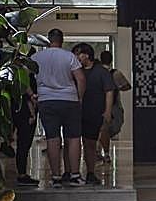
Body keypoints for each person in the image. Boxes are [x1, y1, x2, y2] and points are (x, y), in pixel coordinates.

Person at [32, 29, 85, 187]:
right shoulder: (69, 56)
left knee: (52, 138)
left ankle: (55, 177)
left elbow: (26, 77)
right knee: (74, 137)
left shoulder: (36, 57)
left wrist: (33, 95)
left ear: (48, 40)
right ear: (62, 40)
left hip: (46, 100)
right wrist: (79, 98)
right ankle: (75, 175)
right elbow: (81, 79)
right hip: (69, 100)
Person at [71, 43, 116, 185]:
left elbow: (109, 91)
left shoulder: (101, 72)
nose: (77, 58)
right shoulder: (76, 71)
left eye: (79, 54)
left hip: (94, 112)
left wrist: (107, 111)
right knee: (74, 142)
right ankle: (72, 172)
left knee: (90, 143)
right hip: (77, 112)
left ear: (87, 55)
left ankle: (90, 172)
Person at [97, 50, 130, 163]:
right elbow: (127, 86)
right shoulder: (116, 73)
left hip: (100, 106)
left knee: (102, 130)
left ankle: (100, 151)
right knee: (107, 129)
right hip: (114, 106)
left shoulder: (98, 73)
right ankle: (104, 152)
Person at [13, 79, 37, 187]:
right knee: (24, 142)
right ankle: (22, 174)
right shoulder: (24, 70)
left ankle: (22, 172)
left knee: (23, 143)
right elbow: (25, 86)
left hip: (21, 107)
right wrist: (32, 112)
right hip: (25, 109)